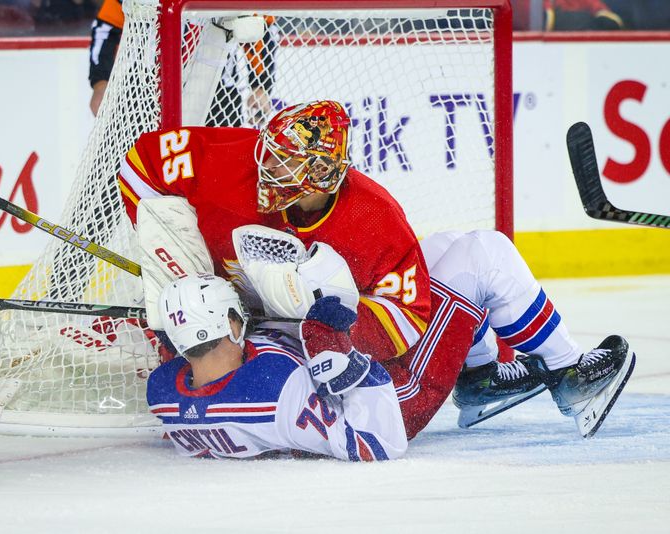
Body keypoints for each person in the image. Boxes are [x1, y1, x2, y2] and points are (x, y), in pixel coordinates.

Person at [120, 100, 634, 438]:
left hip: (317, 356)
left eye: (284, 165)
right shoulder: (238, 160)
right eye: (269, 156)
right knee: (484, 255)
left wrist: (327, 331)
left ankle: (478, 378)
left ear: (322, 173)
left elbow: (404, 316)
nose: (265, 171)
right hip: (372, 399)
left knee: (447, 246)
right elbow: (138, 165)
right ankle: (567, 374)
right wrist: (200, 287)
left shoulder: (371, 217)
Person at [146, 273, 408, 461]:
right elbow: (378, 444)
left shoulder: (162, 391)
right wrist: (339, 352)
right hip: (393, 398)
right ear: (229, 323)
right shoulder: (274, 385)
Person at [88, 0, 277, 119]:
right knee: (132, 171)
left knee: (218, 173)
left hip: (218, 91)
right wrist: (100, 82)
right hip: (144, 89)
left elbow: (262, 28)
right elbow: (106, 28)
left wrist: (260, 86)